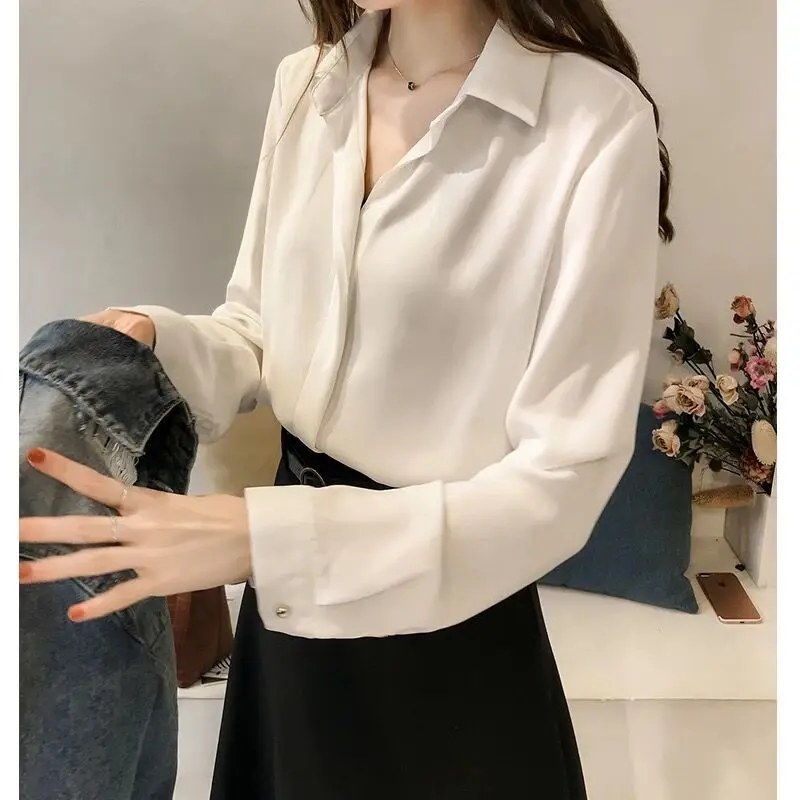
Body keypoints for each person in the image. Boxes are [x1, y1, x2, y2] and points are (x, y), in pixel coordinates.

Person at [20, 1, 673, 797]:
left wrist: (267, 541)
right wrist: (156, 342)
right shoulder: (310, 84)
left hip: (450, 638)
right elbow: (261, 328)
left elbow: (563, 480)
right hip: (288, 626)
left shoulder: (592, 121)